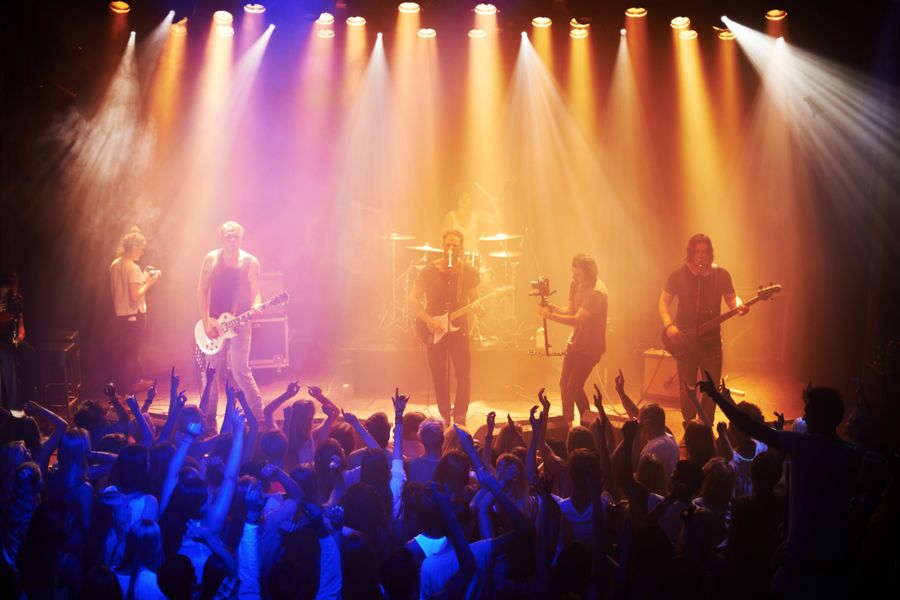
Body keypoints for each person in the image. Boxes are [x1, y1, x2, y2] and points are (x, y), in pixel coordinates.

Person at [658, 233, 746, 422]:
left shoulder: (721, 275)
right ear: (690, 253)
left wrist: (738, 305)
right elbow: (663, 302)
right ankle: (689, 426)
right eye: (697, 251)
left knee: (711, 388)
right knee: (687, 387)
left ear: (710, 254)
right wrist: (669, 326)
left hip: (711, 342)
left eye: (705, 252)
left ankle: (705, 426)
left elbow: (732, 298)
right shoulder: (678, 275)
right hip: (685, 340)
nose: (701, 256)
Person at [408, 229, 480, 426]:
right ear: (442, 246)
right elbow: (412, 299)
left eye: (454, 245)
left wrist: (479, 309)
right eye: (447, 244)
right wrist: (429, 321)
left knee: (464, 372)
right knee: (439, 372)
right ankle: (445, 414)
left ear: (461, 248)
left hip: (459, 327)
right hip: (434, 328)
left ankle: (460, 414)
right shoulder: (429, 271)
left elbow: (475, 301)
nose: (450, 248)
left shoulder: (468, 272)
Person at [197, 221, 264, 423]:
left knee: (240, 370)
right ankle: (207, 416)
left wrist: (257, 306)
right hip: (214, 322)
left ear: (241, 238)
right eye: (228, 235)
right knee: (211, 370)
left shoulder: (251, 261)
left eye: (236, 236)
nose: (232, 239)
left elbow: (257, 292)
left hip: (240, 322)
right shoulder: (211, 258)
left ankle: (259, 416)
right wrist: (205, 320)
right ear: (222, 237)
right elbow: (202, 288)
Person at [537, 254, 608, 423]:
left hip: (591, 347)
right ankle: (566, 421)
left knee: (574, 386)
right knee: (564, 384)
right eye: (572, 273)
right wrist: (552, 308)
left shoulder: (597, 292)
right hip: (576, 341)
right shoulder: (575, 284)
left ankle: (589, 424)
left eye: (577, 274)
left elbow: (577, 319)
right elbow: (570, 310)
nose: (573, 277)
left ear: (588, 273)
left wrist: (549, 316)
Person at [109, 227, 160, 393]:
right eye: (141, 247)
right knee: (130, 354)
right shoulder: (132, 268)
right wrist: (150, 282)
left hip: (120, 316)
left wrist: (143, 278)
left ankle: (134, 382)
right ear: (133, 247)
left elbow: (125, 289)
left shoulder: (115, 264)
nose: (143, 251)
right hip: (134, 317)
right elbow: (135, 296)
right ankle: (129, 388)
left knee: (126, 353)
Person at [440, 182, 501, 248]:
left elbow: (500, 222)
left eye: (467, 197)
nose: (464, 200)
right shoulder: (450, 217)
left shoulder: (477, 214)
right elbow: (442, 241)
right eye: (461, 197)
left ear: (471, 200)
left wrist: (495, 205)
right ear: (457, 199)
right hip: (455, 256)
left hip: (473, 256)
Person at [0, 271, 25, 414]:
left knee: (29, 353)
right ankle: (15, 407)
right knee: (8, 358)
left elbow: (20, 321)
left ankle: (30, 400)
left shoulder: (16, 299)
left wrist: (21, 335)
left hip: (10, 340)